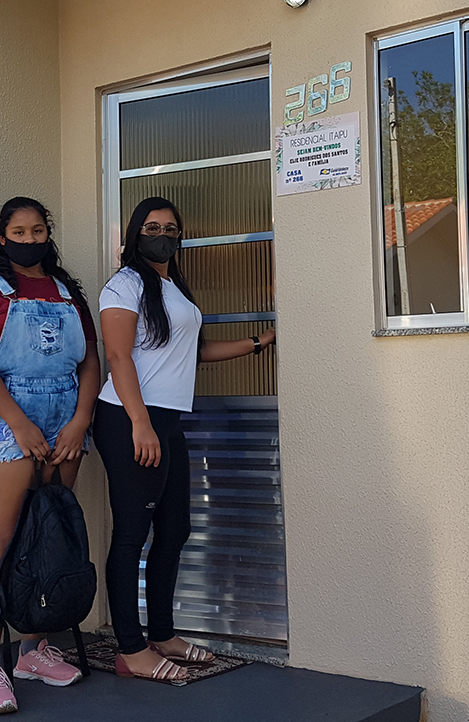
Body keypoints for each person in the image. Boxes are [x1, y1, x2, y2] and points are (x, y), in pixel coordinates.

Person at [94, 196, 275, 682]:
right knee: (133, 532)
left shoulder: (172, 287)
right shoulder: (125, 284)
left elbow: (193, 353)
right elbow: (118, 357)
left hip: (166, 420)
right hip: (130, 418)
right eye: (153, 227)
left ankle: (163, 634)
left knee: (174, 530)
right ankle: (131, 650)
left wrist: (258, 342)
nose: (163, 234)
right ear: (134, 234)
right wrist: (140, 423)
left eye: (172, 228)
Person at [0, 197, 100, 715]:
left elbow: (91, 364)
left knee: (52, 537)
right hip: (6, 421)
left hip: (66, 422)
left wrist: (81, 420)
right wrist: (18, 424)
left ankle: (34, 650)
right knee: (2, 541)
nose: (28, 237)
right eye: (18, 230)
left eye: (37, 229)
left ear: (48, 233)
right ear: (2, 238)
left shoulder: (68, 292)